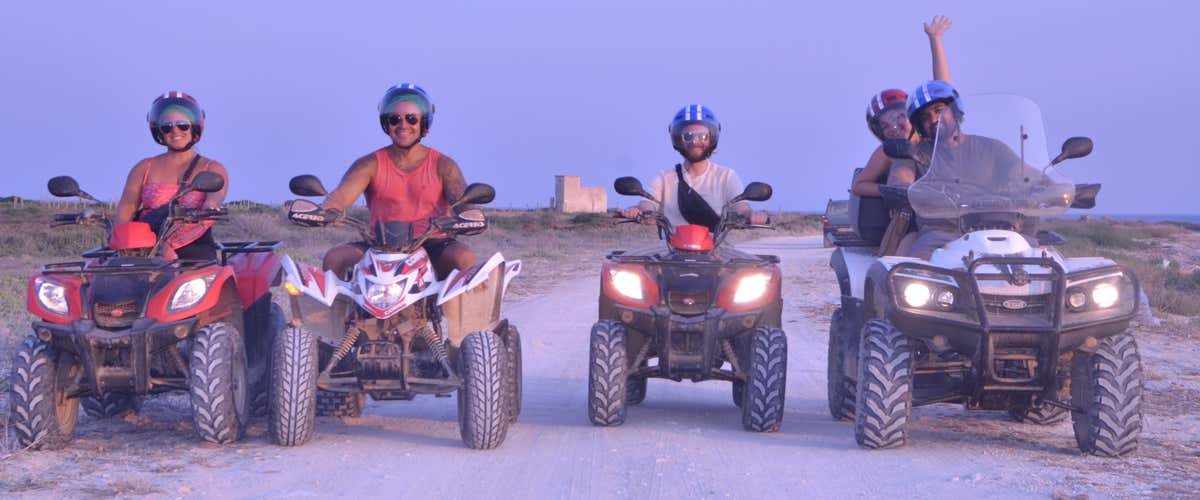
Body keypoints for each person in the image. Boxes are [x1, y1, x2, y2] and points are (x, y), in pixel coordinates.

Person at [316, 83, 475, 279]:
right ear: (386, 123)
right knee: (335, 258)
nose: (403, 125)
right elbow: (340, 197)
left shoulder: (444, 165)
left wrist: (472, 216)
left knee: (464, 258)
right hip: (380, 245)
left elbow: (464, 202)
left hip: (432, 244)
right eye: (394, 119)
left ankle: (470, 310)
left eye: (411, 119)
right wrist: (323, 213)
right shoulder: (369, 164)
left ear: (424, 124)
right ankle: (338, 310)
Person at [889, 80, 1049, 259]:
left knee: (1044, 261)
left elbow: (1031, 176)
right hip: (941, 232)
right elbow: (901, 178)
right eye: (925, 117)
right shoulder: (915, 153)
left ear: (955, 111)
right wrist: (903, 188)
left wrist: (1060, 188)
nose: (933, 120)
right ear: (919, 125)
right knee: (918, 269)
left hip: (1002, 231)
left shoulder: (992, 148)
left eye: (939, 110)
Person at [114, 91, 228, 261]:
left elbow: (213, 201)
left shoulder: (212, 168)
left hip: (193, 249)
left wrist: (210, 208)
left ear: (194, 126)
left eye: (182, 125)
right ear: (158, 130)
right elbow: (126, 209)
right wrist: (122, 242)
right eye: (167, 126)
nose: (175, 131)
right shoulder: (144, 167)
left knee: (208, 283)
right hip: (146, 249)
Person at [621, 104, 768, 231]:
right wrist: (640, 211)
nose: (695, 141)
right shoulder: (664, 178)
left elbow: (740, 207)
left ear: (712, 138)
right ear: (678, 139)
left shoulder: (726, 176)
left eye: (703, 136)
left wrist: (752, 215)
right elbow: (649, 202)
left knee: (751, 265)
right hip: (672, 252)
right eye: (688, 136)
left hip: (716, 250)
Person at [852, 15, 953, 198]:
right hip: (910, 218)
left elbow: (943, 92)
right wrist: (894, 192)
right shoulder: (887, 152)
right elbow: (860, 186)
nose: (894, 127)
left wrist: (935, 39)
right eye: (884, 125)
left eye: (898, 117)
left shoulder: (934, 138)